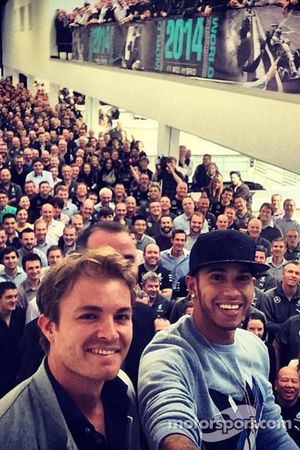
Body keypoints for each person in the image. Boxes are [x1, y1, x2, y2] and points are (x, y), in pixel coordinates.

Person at [138, 229, 298, 450]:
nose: (231, 292)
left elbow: (272, 435)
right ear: (193, 285)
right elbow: (171, 423)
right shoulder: (167, 354)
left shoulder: (256, 347)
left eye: (242, 278)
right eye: (217, 277)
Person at [0, 248, 140, 450]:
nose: (110, 334)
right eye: (89, 316)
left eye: (121, 317)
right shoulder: (8, 429)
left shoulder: (124, 391)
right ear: (49, 328)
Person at [0, 281, 25, 398]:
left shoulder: (20, 314)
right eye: (9, 297)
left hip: (17, 372)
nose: (14, 300)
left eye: (15, 296)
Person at [275, 366, 300, 447]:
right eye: (284, 380)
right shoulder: (268, 407)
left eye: (294, 381)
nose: (289, 385)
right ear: (276, 385)